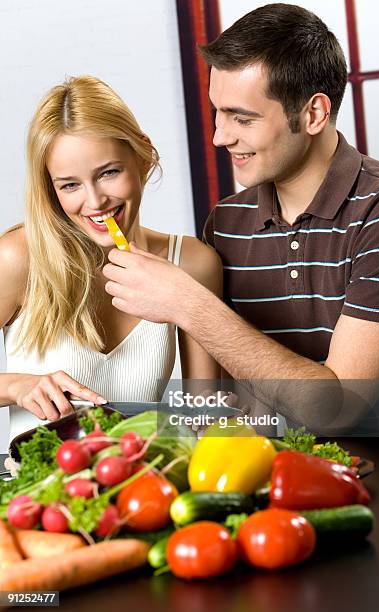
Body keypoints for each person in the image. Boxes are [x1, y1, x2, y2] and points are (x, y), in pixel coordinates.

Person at [102, 3, 379, 433]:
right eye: (217, 111)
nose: (219, 136)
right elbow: (224, 404)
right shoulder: (225, 223)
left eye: (241, 118)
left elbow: (338, 409)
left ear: (314, 114)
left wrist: (187, 304)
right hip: (260, 480)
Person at [0, 75, 222, 443]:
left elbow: (204, 412)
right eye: (70, 184)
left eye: (109, 173)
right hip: (39, 496)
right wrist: (18, 386)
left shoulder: (192, 264)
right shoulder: (18, 259)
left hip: (142, 491)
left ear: (143, 156)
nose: (95, 201)